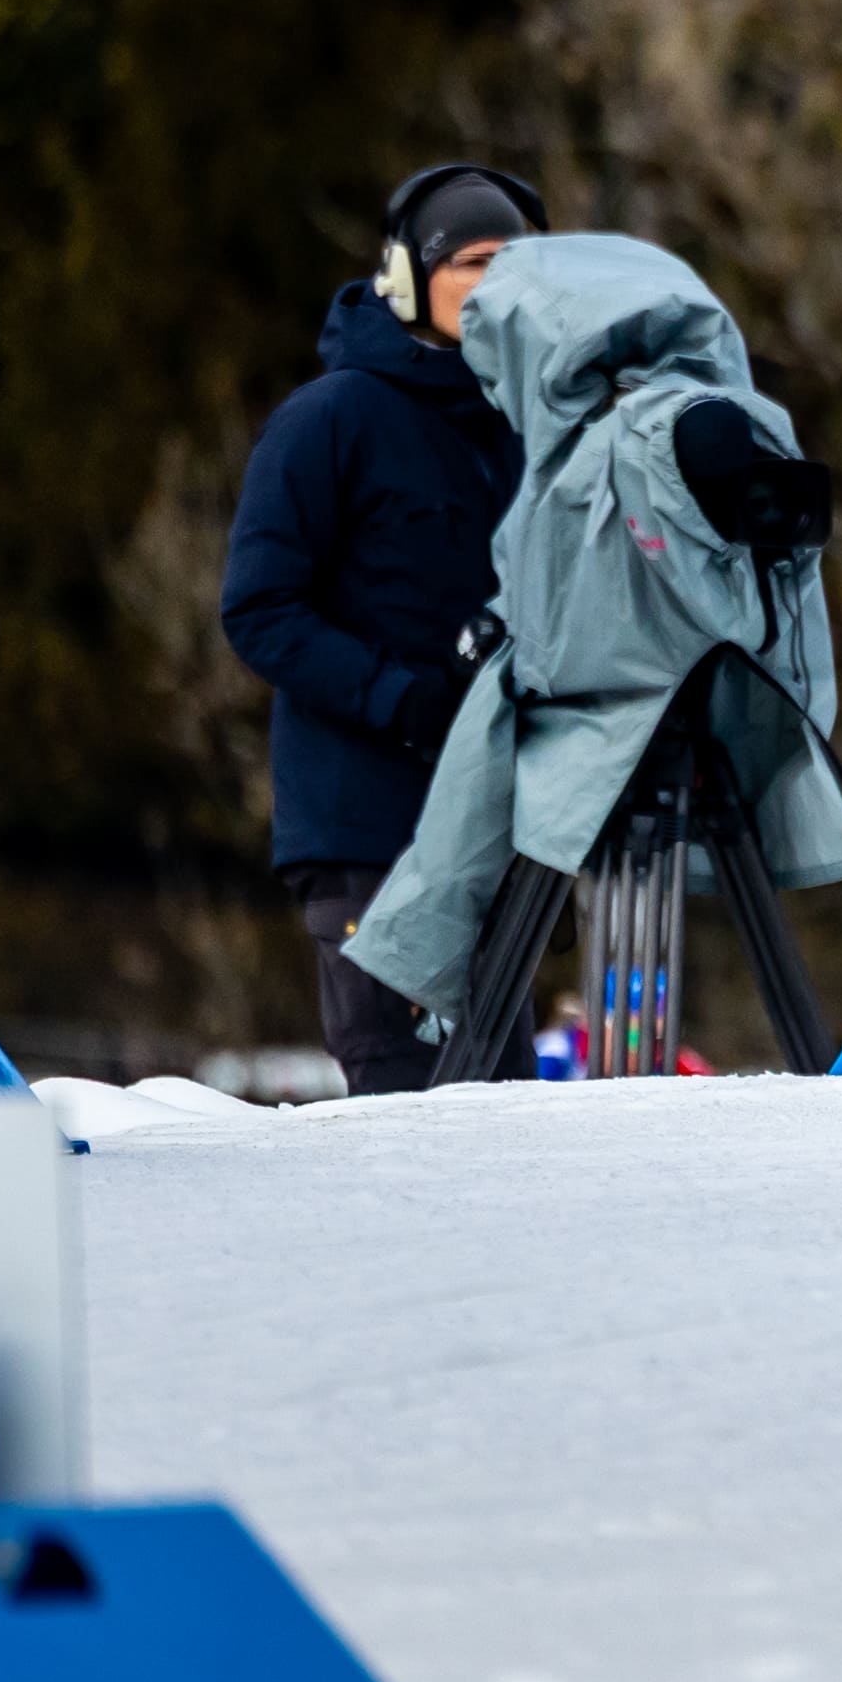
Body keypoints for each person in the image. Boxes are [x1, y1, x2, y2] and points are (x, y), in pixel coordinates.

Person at [219, 166, 543, 1094]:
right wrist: (403, 700)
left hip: (491, 835)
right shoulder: (329, 419)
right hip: (370, 838)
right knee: (409, 1111)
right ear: (406, 278)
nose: (496, 286)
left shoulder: (517, 424)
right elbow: (259, 610)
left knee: (513, 1117)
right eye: (474, 262)